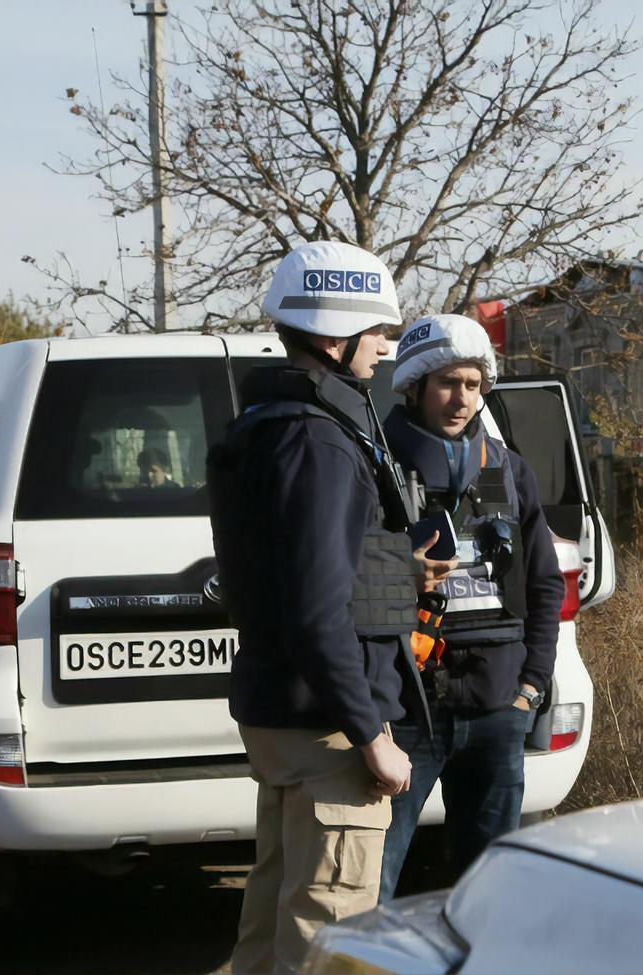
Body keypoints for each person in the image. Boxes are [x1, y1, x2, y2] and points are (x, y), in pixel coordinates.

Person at [208, 241, 447, 975]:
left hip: (289, 720)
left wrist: (393, 569)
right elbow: (316, 610)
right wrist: (371, 732)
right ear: (332, 334)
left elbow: (303, 571)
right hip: (329, 733)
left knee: (270, 936)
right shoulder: (321, 439)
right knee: (327, 944)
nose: (387, 345)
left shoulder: (276, 424)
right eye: (377, 329)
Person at [376, 314, 565, 899]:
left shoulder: (511, 472)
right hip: (409, 710)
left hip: (497, 707)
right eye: (447, 383)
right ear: (414, 386)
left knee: (490, 891)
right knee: (369, 881)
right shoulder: (375, 468)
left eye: (474, 385)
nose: (461, 399)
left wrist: (530, 687)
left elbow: (544, 585)